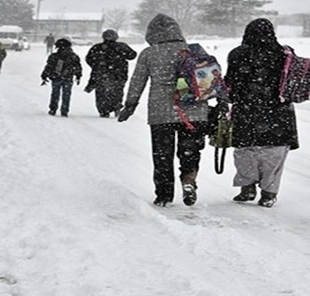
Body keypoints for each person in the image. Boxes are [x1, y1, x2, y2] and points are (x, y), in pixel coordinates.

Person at [117, 13, 208, 207]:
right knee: (190, 150)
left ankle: (164, 194)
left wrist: (130, 105)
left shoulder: (149, 53)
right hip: (193, 111)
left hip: (161, 112)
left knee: (162, 154)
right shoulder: (193, 50)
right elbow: (208, 79)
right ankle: (189, 179)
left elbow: (137, 81)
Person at [224, 18, 299, 208]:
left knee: (245, 150)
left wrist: (232, 98)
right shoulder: (284, 55)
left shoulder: (238, 54)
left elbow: (230, 83)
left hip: (246, 109)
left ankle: (247, 186)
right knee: (274, 152)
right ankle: (269, 192)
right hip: (278, 112)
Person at [85, 29, 137, 117]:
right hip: (119, 75)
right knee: (117, 91)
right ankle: (116, 106)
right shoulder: (121, 46)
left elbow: (89, 59)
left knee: (101, 93)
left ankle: (103, 110)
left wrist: (97, 66)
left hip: (101, 74)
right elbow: (132, 55)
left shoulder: (97, 47)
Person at [40, 38, 82, 117]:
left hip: (56, 77)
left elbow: (49, 66)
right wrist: (78, 76)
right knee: (66, 94)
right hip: (68, 77)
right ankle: (64, 110)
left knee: (55, 93)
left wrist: (44, 75)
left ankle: (53, 109)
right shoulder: (73, 56)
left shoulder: (54, 56)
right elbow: (78, 67)